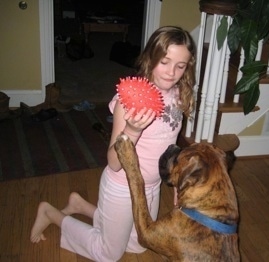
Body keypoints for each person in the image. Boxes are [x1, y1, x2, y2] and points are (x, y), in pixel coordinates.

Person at [30, 26, 196, 262]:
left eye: (180, 66)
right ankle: (51, 213)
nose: (171, 73)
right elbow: (113, 163)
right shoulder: (128, 101)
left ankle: (81, 205)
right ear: (150, 58)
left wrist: (179, 187)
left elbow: (171, 150)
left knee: (140, 245)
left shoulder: (179, 95)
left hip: (151, 186)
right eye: (165, 62)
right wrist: (132, 130)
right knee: (108, 254)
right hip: (121, 185)